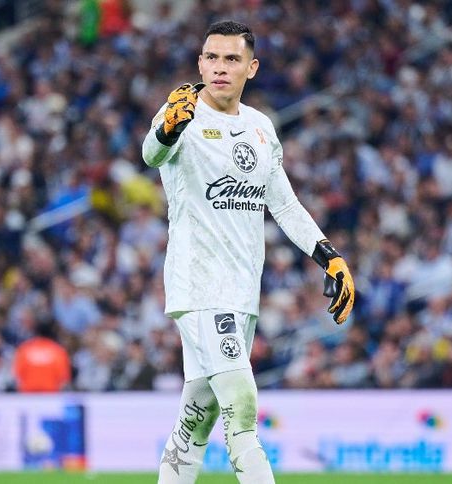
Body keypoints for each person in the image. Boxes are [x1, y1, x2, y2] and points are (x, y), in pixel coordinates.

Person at [141, 21, 355, 484]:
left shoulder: (260, 127)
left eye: (231, 59)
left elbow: (284, 204)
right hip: (200, 287)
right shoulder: (181, 113)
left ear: (251, 68)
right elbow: (151, 153)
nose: (220, 68)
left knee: (196, 420)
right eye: (212, 58)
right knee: (241, 409)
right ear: (200, 64)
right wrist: (169, 129)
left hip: (242, 292)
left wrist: (329, 255)